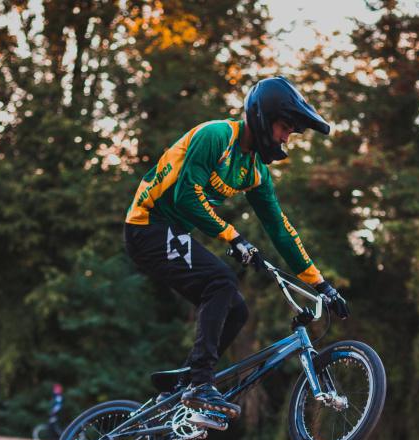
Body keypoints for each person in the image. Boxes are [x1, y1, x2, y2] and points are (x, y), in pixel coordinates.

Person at [123, 76, 349, 421]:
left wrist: (322, 285)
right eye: (284, 128)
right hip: (147, 225)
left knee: (237, 309)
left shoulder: (254, 171)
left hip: (173, 232)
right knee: (221, 281)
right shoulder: (215, 136)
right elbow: (186, 196)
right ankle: (199, 382)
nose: (287, 138)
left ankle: (187, 384)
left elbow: (280, 229)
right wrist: (234, 237)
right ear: (262, 117)